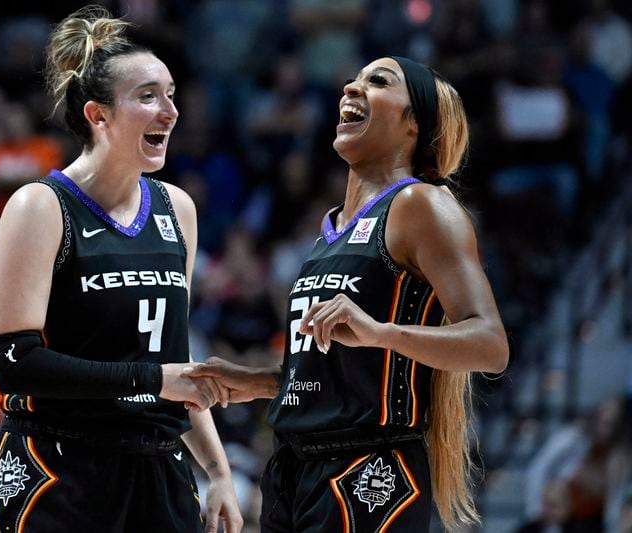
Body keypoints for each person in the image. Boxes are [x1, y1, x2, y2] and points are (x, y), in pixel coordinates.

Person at [185, 56, 509, 531]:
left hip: (367, 466)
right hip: (294, 467)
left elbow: (491, 345)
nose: (350, 88)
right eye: (353, 80)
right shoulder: (331, 228)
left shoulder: (420, 204)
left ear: (414, 124)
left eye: (377, 82)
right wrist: (257, 381)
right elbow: (345, 369)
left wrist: (381, 332)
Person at [0, 7, 241, 533]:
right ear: (98, 115)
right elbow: (14, 364)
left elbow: (174, 361)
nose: (170, 110)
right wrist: (153, 379)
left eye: (171, 94)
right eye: (148, 96)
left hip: (159, 466)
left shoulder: (177, 209)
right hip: (61, 465)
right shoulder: (41, 206)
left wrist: (217, 471)